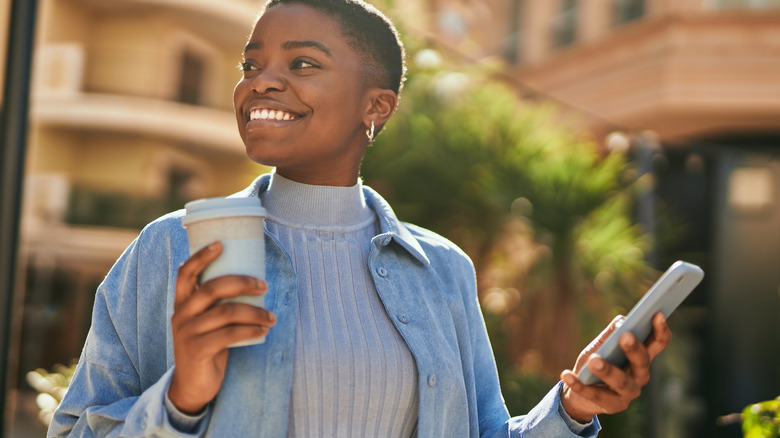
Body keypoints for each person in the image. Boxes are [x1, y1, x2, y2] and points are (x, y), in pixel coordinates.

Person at [49, 0, 672, 436]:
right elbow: (75, 431)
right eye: (251, 65)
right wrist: (180, 399)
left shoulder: (440, 270)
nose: (260, 83)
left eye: (302, 64)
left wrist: (572, 409)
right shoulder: (172, 248)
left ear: (376, 105)